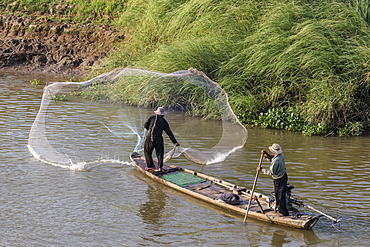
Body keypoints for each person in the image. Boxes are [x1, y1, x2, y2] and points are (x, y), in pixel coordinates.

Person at [257, 143, 289, 216]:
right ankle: (280, 209)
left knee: (279, 195)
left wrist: (261, 169)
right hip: (283, 176)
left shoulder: (276, 160)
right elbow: (272, 158)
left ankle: (283, 213)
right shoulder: (280, 155)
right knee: (280, 194)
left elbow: (272, 172)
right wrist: (267, 155)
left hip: (279, 179)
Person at [143, 107, 180, 172]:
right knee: (160, 153)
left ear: (157, 113)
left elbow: (145, 125)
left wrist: (150, 128)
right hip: (159, 139)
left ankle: (151, 166)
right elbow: (169, 132)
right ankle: (160, 167)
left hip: (150, 138)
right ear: (163, 114)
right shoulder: (164, 122)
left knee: (147, 151)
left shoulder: (152, 117)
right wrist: (175, 142)